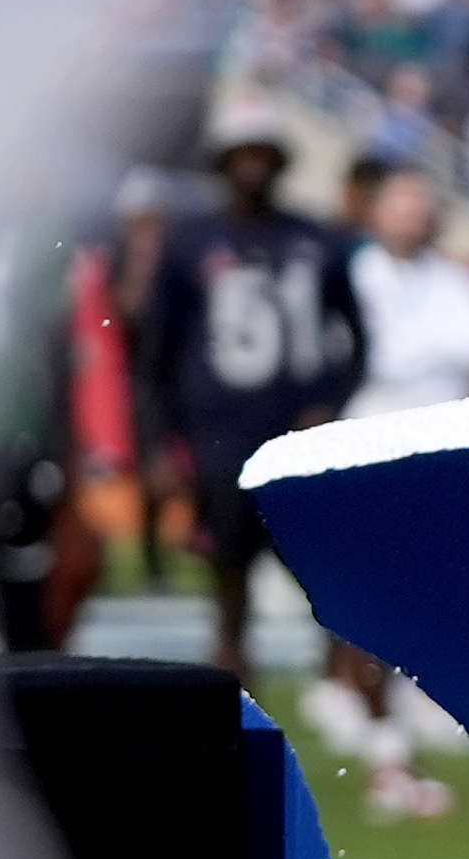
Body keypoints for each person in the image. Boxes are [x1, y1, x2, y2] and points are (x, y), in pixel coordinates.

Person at [130, 112, 367, 687]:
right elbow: (157, 350)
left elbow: (357, 337)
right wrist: (160, 441)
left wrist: (331, 401)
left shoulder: (315, 239)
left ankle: (338, 675)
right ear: (222, 161)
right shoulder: (190, 241)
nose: (253, 165)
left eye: (263, 152)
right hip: (220, 430)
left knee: (319, 562)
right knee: (230, 564)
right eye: (242, 153)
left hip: (298, 430)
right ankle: (235, 669)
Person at [311, 163, 469, 819]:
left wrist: (414, 353)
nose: (412, 216)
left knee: (432, 594)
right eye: (399, 203)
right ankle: (382, 746)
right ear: (375, 211)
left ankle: (408, 715)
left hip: (441, 450)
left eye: (421, 204)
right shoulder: (353, 273)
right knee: (371, 597)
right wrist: (426, 353)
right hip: (369, 444)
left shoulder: (453, 278)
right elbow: (368, 356)